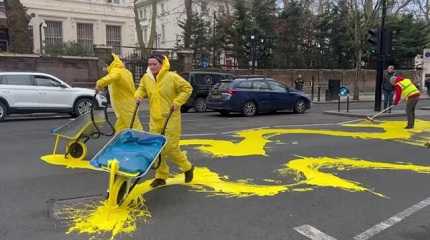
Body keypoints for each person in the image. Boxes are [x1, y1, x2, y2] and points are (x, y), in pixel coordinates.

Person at [135, 54, 194, 188]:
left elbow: (187, 88)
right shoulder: (146, 78)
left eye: (154, 64)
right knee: (155, 149)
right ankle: (161, 176)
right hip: (154, 119)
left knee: (171, 148)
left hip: (170, 117)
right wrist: (138, 95)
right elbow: (141, 88)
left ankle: (187, 167)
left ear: (161, 64)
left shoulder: (171, 77)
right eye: (149, 64)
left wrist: (178, 102)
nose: (151, 67)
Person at [95, 54, 143, 132]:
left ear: (108, 65)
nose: (105, 69)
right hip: (129, 102)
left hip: (123, 104)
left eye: (106, 66)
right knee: (122, 125)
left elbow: (111, 77)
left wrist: (99, 84)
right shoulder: (126, 71)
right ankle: (119, 138)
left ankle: (141, 142)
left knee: (134, 126)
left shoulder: (116, 70)